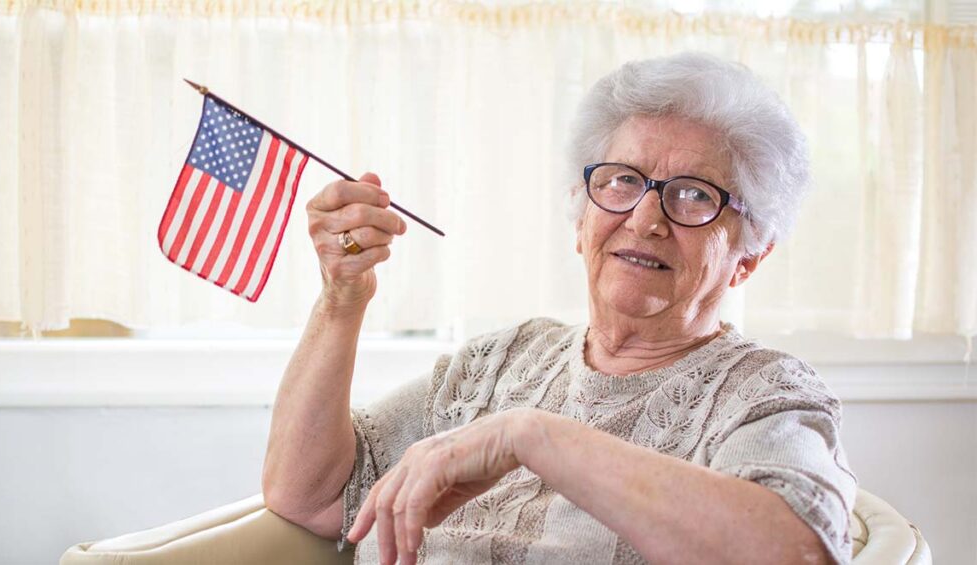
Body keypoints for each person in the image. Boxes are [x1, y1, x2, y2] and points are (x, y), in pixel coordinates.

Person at [262, 52, 857, 565]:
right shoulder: (502, 362)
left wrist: (532, 437)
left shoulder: (762, 393)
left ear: (749, 255)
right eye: (623, 181)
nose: (646, 220)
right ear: (581, 219)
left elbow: (798, 550)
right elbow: (310, 495)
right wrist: (341, 300)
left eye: (694, 195)